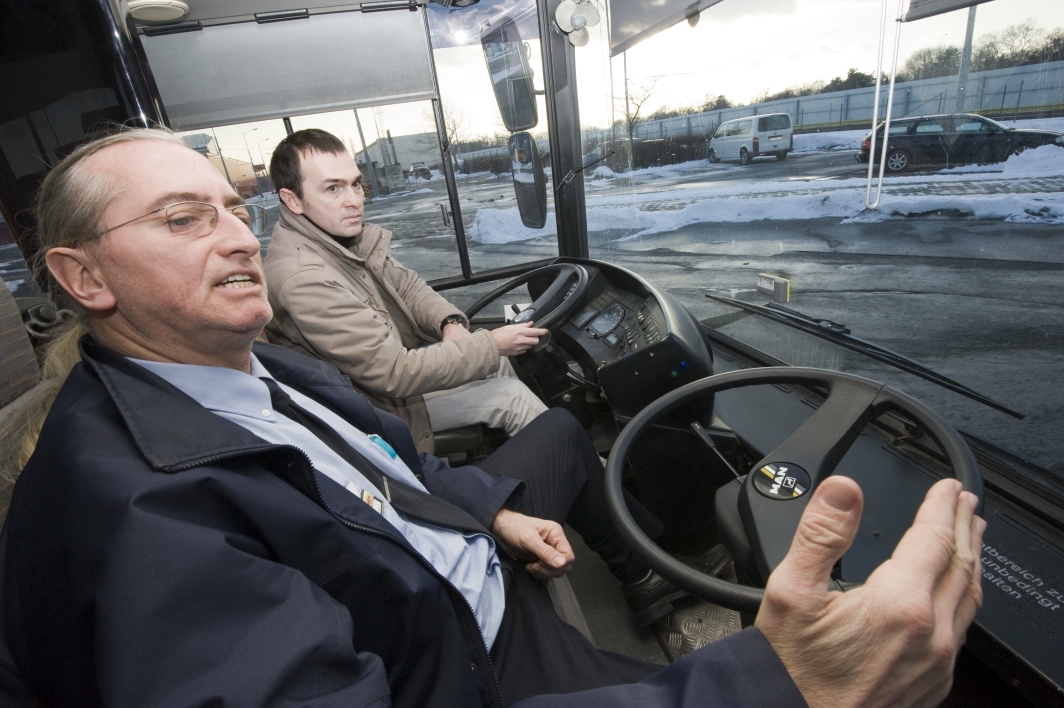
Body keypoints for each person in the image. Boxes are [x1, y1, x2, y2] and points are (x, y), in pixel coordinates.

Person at [0, 128, 984, 708]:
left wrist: (489, 509)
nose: (236, 241)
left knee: (552, 435)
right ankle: (650, 588)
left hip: (462, 567)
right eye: (182, 220)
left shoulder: (240, 369)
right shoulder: (141, 516)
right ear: (82, 277)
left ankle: (640, 579)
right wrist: (785, 686)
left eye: (229, 210)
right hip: (462, 649)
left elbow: (376, 466)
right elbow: (390, 376)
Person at [264, 128, 549, 455]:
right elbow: (394, 373)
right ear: (293, 200)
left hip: (387, 386)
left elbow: (410, 288)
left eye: (355, 184)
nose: (354, 200)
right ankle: (592, 488)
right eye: (333, 188)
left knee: (500, 363)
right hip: (379, 409)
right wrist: (492, 343)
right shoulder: (303, 277)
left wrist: (449, 323)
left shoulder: (339, 241)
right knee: (512, 397)